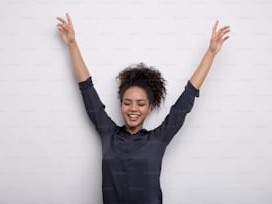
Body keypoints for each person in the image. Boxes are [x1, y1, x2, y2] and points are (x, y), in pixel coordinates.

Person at [56, 12, 230, 204]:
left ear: (149, 108)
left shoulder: (158, 139)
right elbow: (87, 88)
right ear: (121, 104)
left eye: (141, 104)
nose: (133, 108)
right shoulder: (108, 133)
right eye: (127, 102)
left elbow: (188, 96)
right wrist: (72, 44)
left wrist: (211, 53)